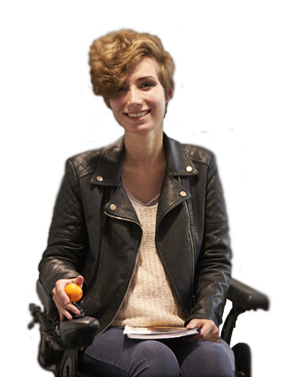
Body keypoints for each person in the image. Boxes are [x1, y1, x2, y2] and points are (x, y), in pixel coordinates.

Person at [38, 26, 236, 377]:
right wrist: (61, 280)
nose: (132, 100)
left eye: (145, 84)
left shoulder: (202, 166)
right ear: (107, 101)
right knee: (155, 362)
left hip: (184, 326)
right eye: (119, 89)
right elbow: (58, 256)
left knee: (214, 360)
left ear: (169, 91)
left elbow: (217, 258)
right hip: (110, 327)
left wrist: (207, 311)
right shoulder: (82, 171)